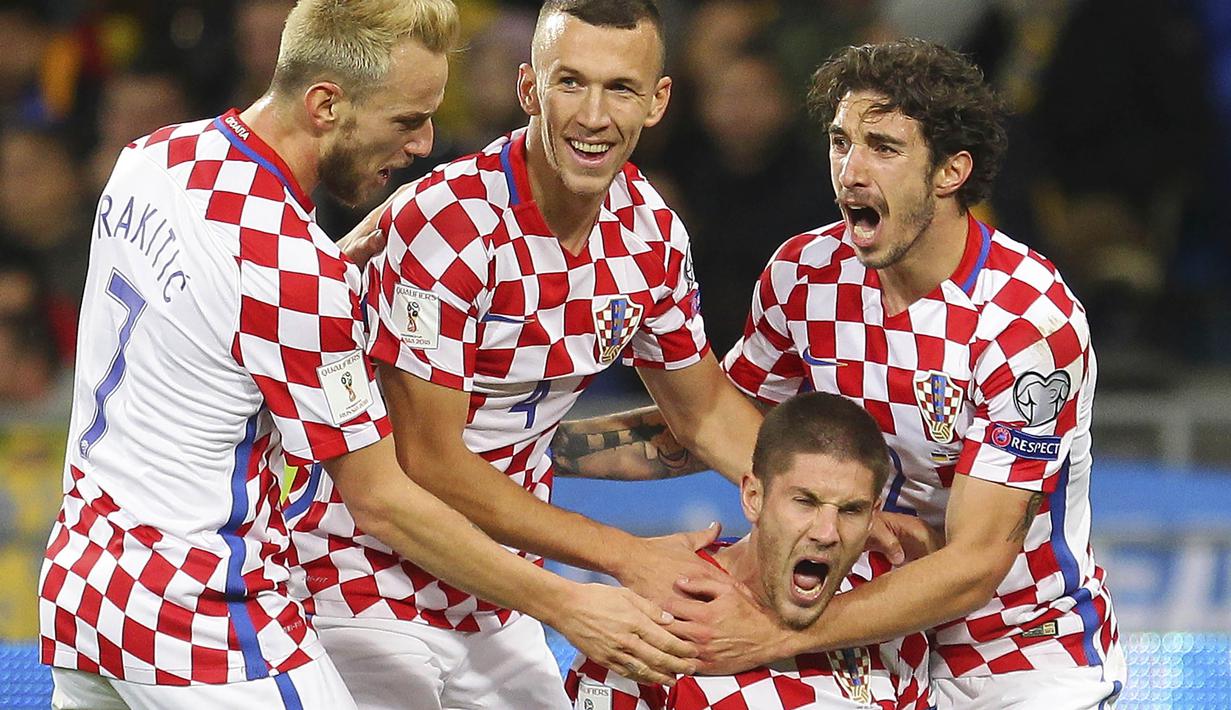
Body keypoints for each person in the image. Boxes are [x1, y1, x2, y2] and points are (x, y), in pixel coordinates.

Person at [37, 2, 696, 708]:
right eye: (406, 119)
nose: (422, 144)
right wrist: (569, 604)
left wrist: (332, 271)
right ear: (326, 104)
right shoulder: (294, 274)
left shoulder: (154, 158)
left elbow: (209, 313)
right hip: (199, 612)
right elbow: (383, 501)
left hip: (83, 582)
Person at [556, 39, 1125, 709]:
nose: (850, 172)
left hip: (1019, 657)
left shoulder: (1025, 321)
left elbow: (974, 564)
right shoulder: (806, 275)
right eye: (839, 142)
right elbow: (709, 425)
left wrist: (769, 636)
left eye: (882, 147)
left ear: (949, 171)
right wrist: (533, 447)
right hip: (866, 645)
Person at [286, 1, 766, 708]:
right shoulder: (451, 222)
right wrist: (628, 557)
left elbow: (704, 415)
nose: (594, 116)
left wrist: (827, 507)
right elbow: (429, 461)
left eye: (621, 88)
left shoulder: (652, 234)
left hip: (499, 597)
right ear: (527, 90)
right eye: (570, 82)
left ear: (657, 101)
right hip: (358, 577)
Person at [565, 392, 932, 709]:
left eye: (851, 510)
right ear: (753, 497)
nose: (827, 533)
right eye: (805, 502)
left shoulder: (889, 621)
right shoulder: (656, 616)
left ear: (873, 518)